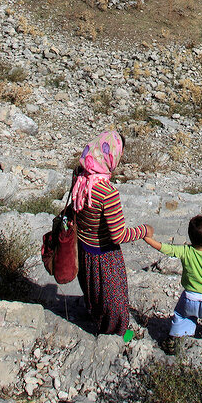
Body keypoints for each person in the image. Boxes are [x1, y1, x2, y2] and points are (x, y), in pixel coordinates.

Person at [71, 130, 150, 338]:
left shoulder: (79, 177)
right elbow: (118, 235)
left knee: (93, 295)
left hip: (83, 249)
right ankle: (121, 337)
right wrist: (143, 231)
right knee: (115, 303)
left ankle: (97, 322)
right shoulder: (107, 192)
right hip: (105, 255)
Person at [143, 213, 202, 342]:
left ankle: (179, 335)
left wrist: (148, 239)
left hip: (189, 298)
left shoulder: (185, 251)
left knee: (182, 317)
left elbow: (167, 249)